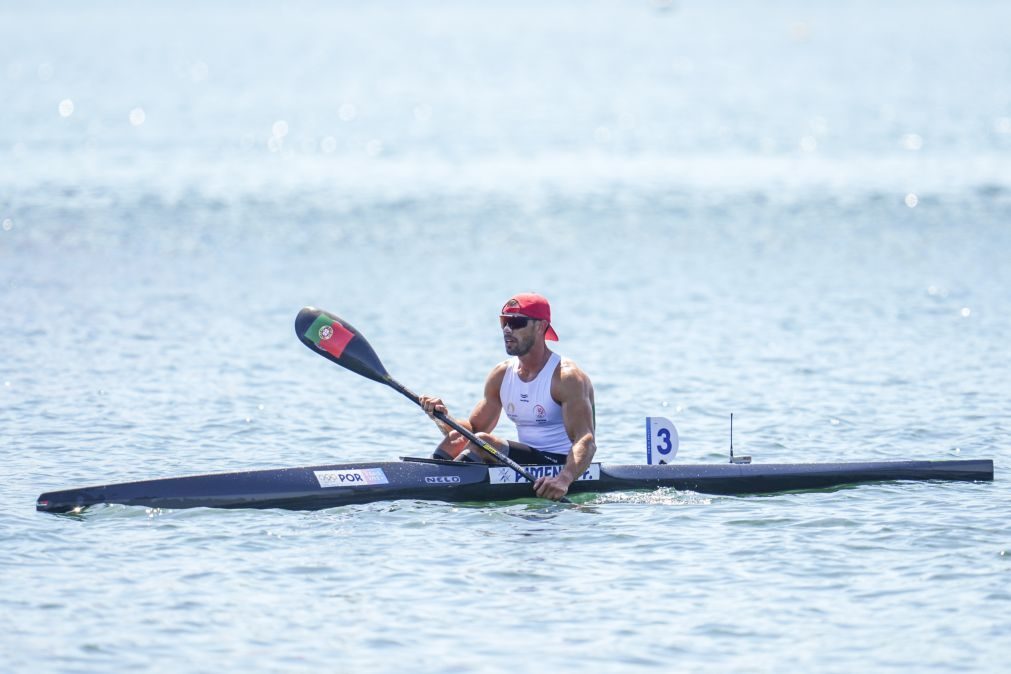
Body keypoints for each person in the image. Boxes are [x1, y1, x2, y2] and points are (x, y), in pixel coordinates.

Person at [419, 293, 596, 501]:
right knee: (457, 437)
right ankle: (426, 479)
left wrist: (564, 479)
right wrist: (441, 416)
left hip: (560, 464)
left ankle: (434, 489)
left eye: (517, 322)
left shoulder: (566, 377)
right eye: (504, 322)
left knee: (484, 442)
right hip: (525, 463)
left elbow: (586, 440)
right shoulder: (501, 374)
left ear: (541, 327)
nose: (507, 330)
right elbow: (471, 431)